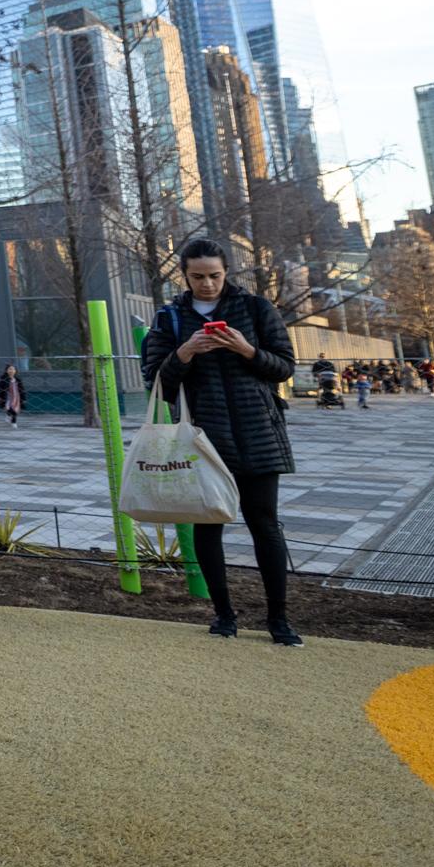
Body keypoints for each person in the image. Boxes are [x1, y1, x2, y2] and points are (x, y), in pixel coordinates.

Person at [139, 238, 303, 647]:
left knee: (265, 525)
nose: (207, 284)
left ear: (226, 272)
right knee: (208, 526)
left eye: (214, 275)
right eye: (198, 277)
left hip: (259, 434)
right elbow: (157, 383)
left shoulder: (255, 309)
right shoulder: (170, 318)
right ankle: (223, 615)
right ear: (185, 275)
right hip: (204, 439)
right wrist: (186, 352)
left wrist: (247, 349)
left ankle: (278, 620)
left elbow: (283, 368)